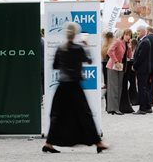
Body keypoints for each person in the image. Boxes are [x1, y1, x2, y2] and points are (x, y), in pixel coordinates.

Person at [43, 23, 108, 153]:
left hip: (62, 86)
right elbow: (89, 60)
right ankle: (98, 143)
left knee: (57, 114)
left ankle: (49, 143)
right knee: (85, 113)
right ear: (75, 34)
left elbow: (55, 65)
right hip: (74, 86)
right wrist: (86, 45)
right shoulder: (78, 48)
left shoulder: (60, 48)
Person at [105, 29, 129, 115]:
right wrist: (116, 61)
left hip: (120, 67)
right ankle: (113, 108)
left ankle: (115, 108)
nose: (128, 37)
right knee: (114, 88)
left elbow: (128, 55)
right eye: (127, 35)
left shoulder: (124, 43)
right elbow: (109, 52)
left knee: (119, 87)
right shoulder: (117, 41)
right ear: (123, 35)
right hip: (113, 66)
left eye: (129, 35)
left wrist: (129, 48)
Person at [133, 27, 152, 114]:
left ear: (144, 32)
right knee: (144, 88)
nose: (137, 32)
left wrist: (135, 66)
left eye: (139, 31)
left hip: (142, 69)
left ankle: (142, 108)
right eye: (137, 31)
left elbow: (141, 56)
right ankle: (148, 107)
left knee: (142, 89)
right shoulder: (142, 41)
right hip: (143, 68)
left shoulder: (145, 42)